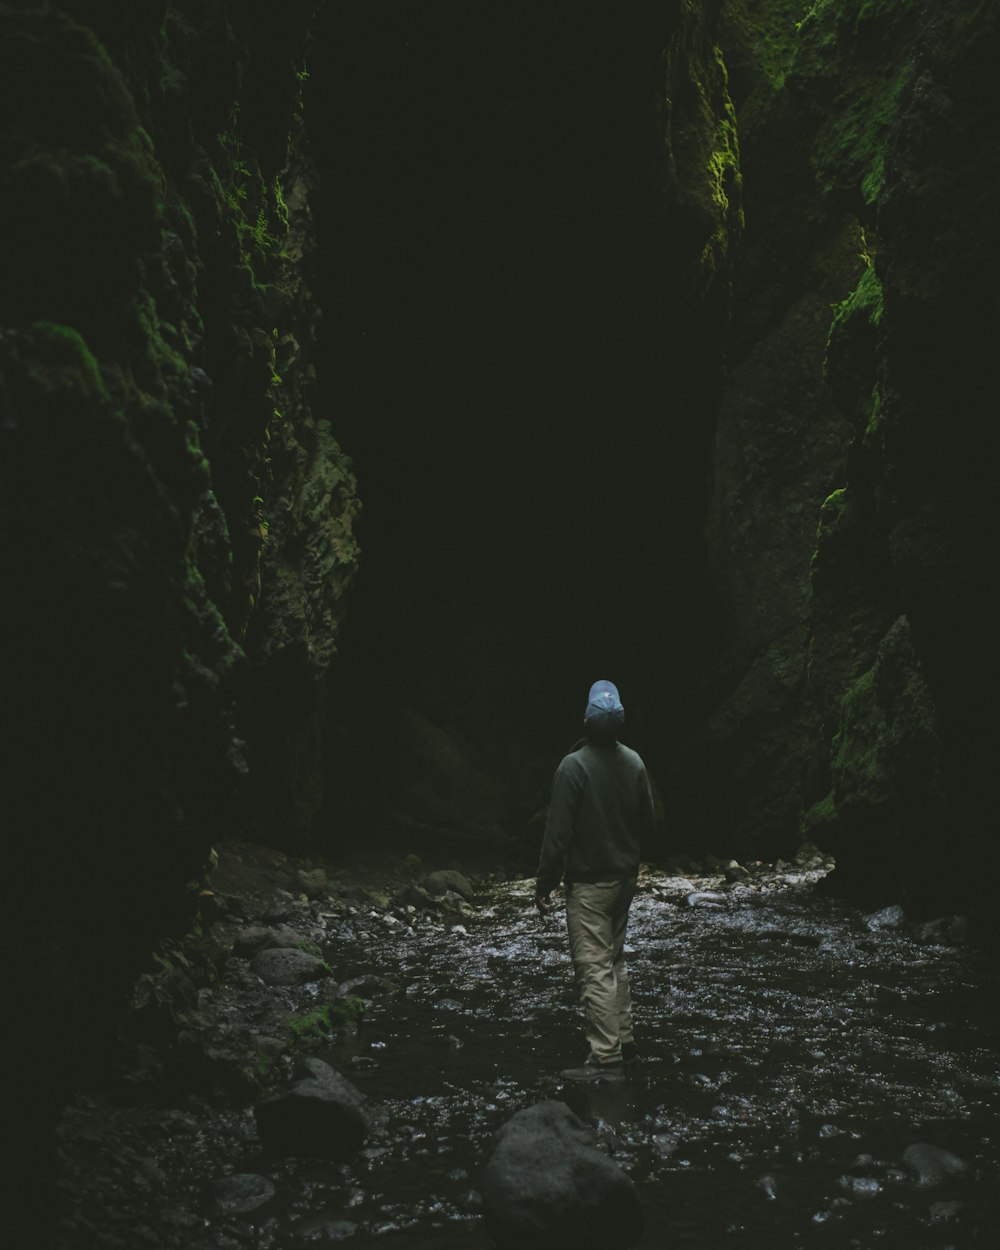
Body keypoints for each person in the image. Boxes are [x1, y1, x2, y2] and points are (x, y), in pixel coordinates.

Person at [535, 679, 655, 1082]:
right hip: (624, 880)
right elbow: (648, 822)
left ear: (586, 720)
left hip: (589, 885)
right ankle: (626, 1042)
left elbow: (558, 833)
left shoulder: (574, 767)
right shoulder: (635, 763)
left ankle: (606, 1060)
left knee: (594, 967)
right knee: (615, 960)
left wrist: (545, 883)